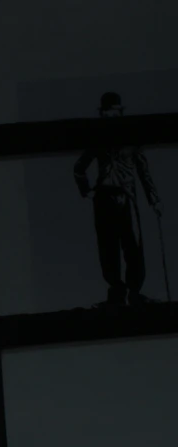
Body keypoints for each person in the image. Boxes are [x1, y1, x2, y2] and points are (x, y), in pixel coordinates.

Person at [74, 91, 163, 307]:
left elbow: (143, 171)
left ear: (120, 113)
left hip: (127, 198)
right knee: (108, 248)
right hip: (104, 198)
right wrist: (87, 191)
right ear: (103, 114)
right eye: (107, 113)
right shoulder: (97, 139)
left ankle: (134, 293)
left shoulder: (131, 139)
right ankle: (116, 293)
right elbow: (79, 167)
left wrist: (154, 200)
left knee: (133, 246)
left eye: (114, 113)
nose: (110, 117)